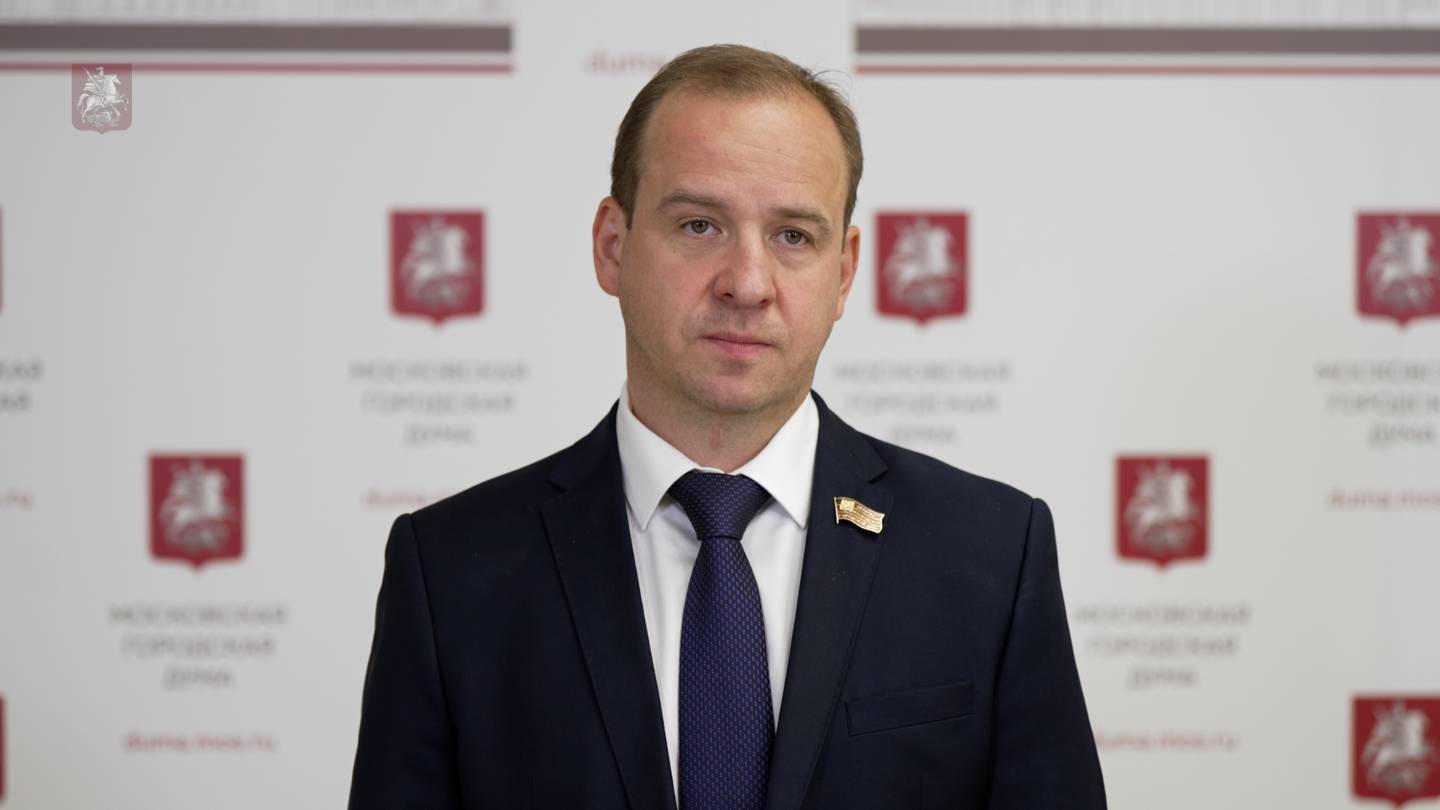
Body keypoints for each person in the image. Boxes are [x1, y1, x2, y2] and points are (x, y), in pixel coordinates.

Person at [349, 44, 1106, 810]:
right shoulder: (451, 573)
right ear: (612, 246)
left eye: (793, 236)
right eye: (700, 225)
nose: (747, 284)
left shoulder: (992, 553)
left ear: (845, 272)